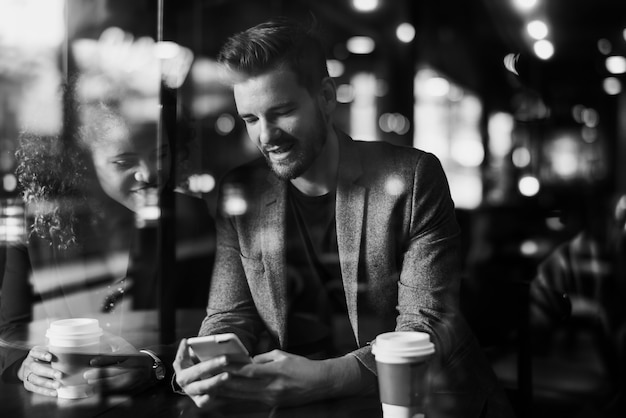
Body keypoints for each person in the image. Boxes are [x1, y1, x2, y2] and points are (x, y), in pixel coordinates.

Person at [173, 17, 514, 417]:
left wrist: (319, 379)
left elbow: (425, 329)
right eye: (250, 119)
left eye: (282, 112)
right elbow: (231, 312)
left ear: (327, 96)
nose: (265, 136)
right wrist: (209, 361)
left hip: (423, 401)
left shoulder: (413, 177)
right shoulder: (242, 190)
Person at [0, 80, 215, 397]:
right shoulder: (36, 224)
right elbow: (11, 330)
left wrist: (154, 363)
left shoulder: (191, 220)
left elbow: (215, 326)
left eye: (160, 154)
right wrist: (25, 365)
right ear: (81, 164)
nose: (149, 173)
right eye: (124, 162)